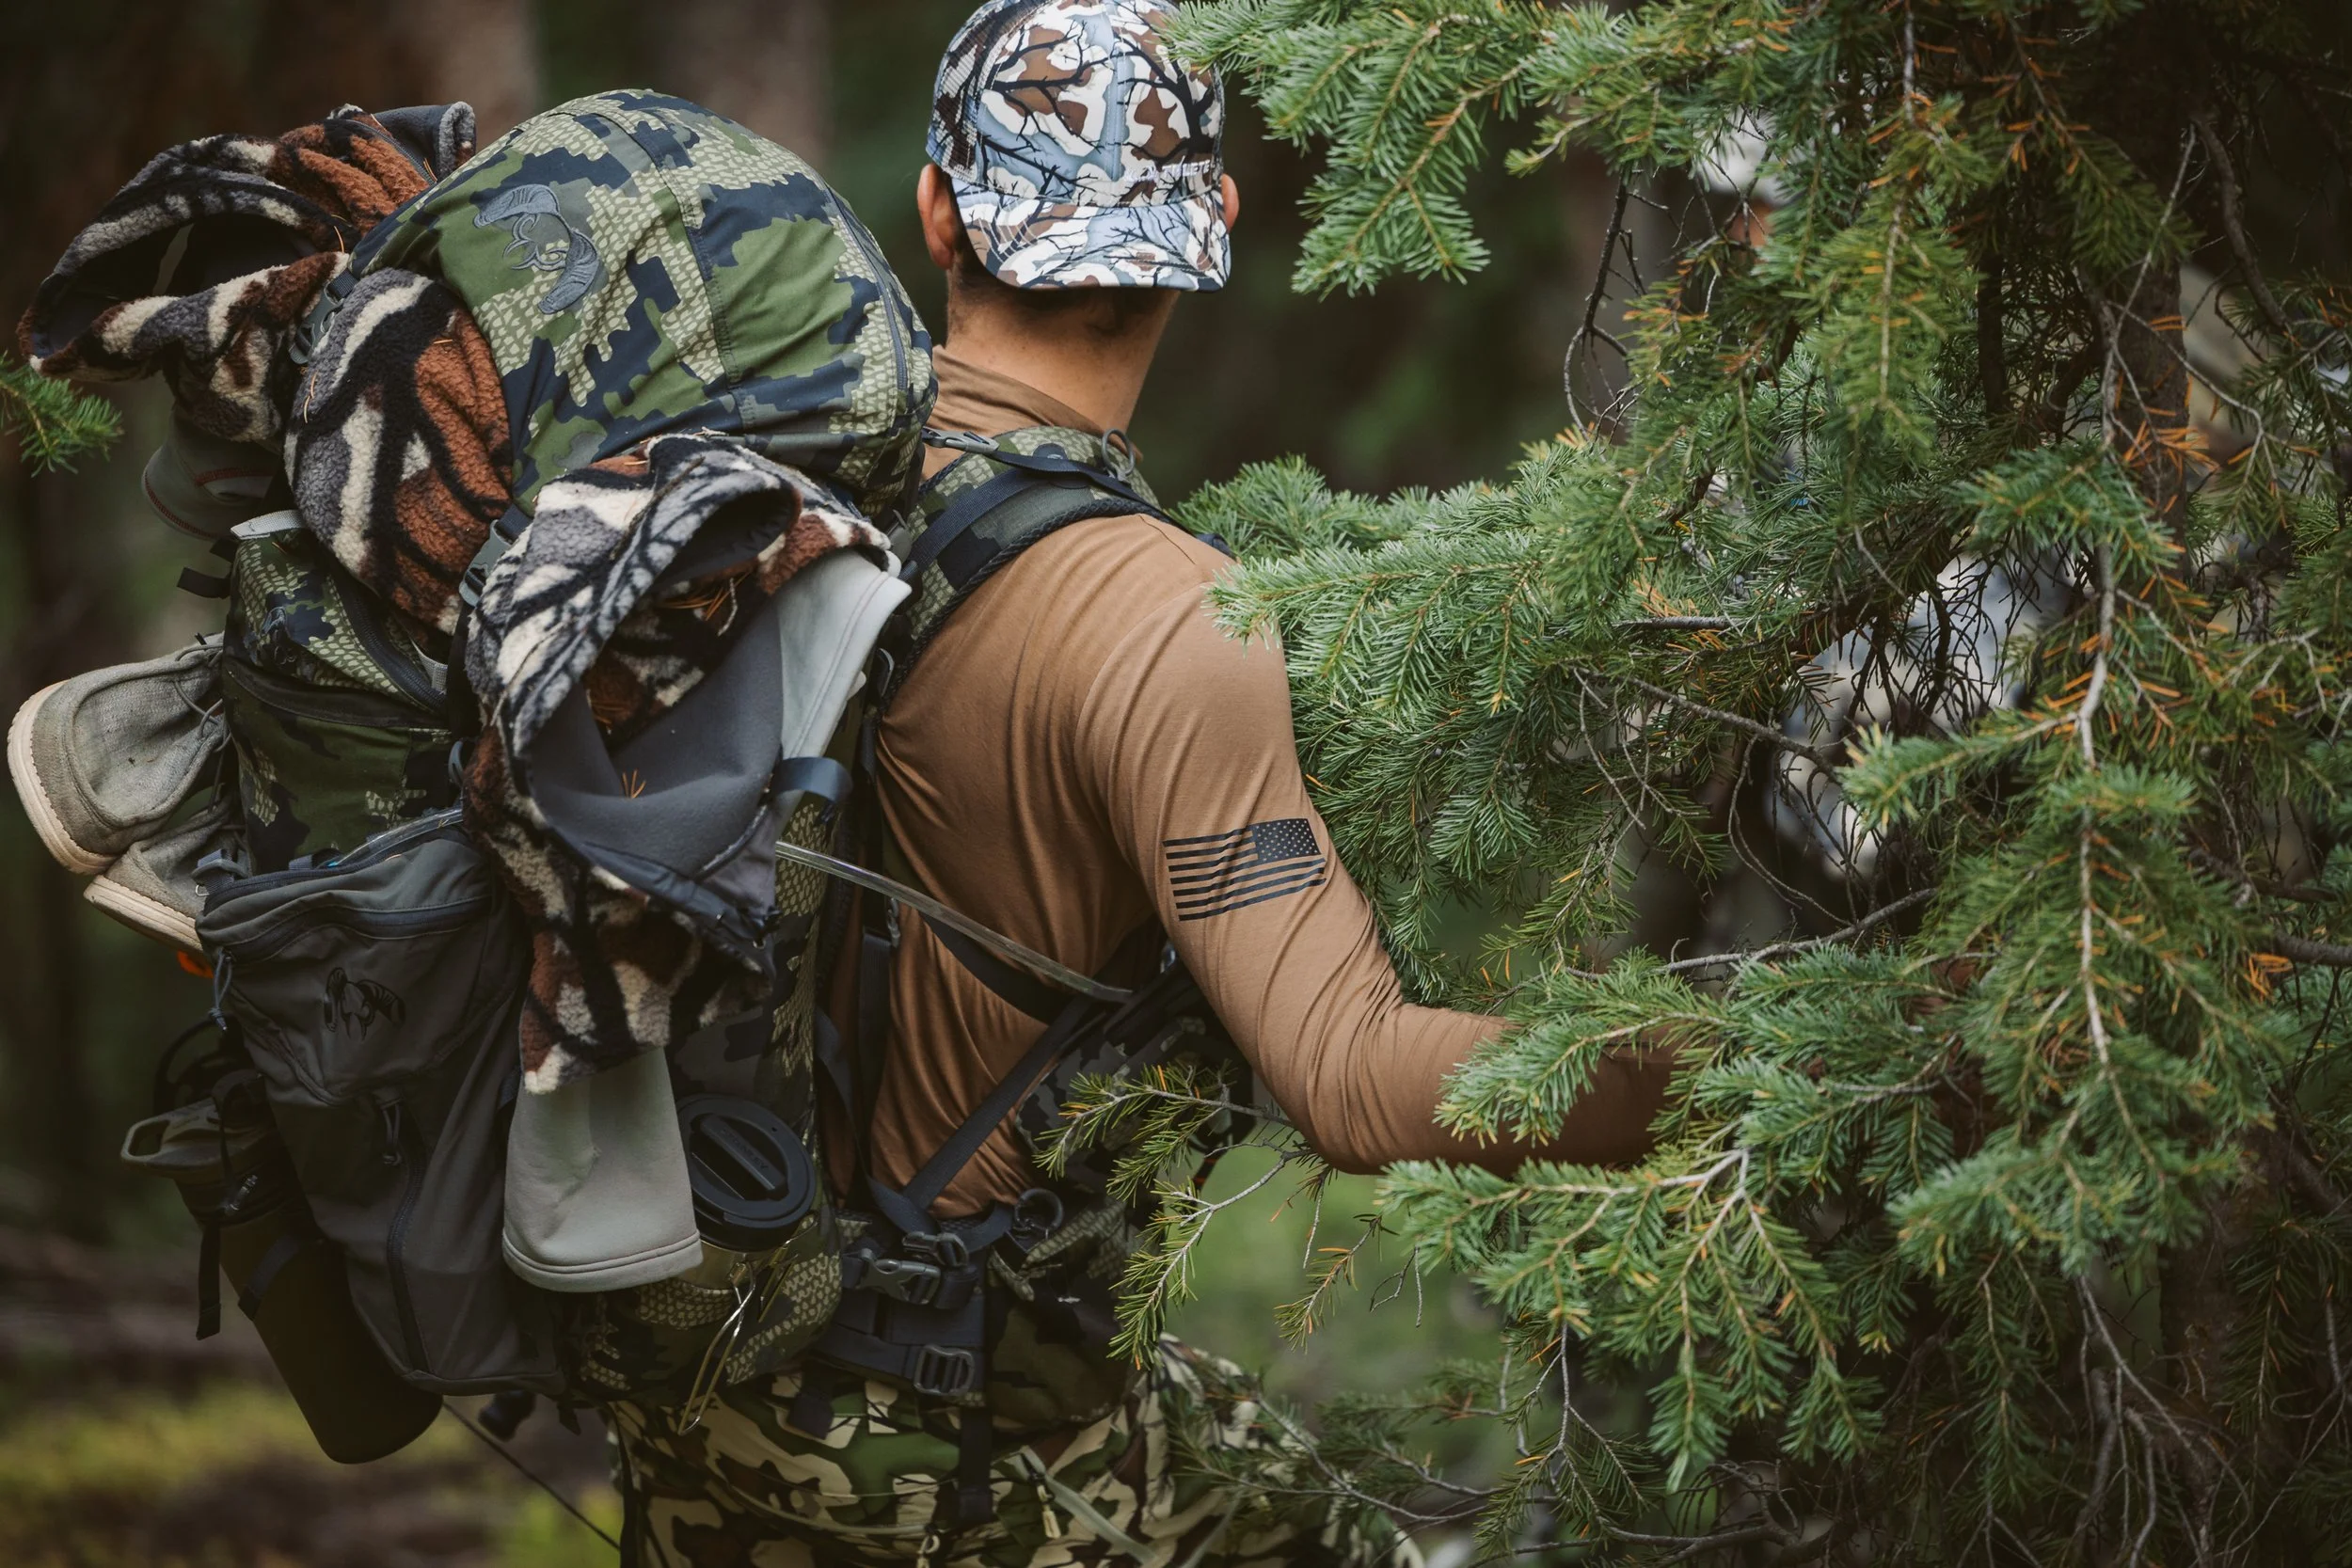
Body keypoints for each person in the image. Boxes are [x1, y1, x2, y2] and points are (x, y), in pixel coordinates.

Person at [608, 4, 1667, 1562]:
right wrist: (1768, 1071)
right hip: (952, 1454)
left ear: (939, 212)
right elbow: (1356, 1073)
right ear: (1214, 223)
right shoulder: (1164, 619)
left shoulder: (760, 493)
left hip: (706, 1375)